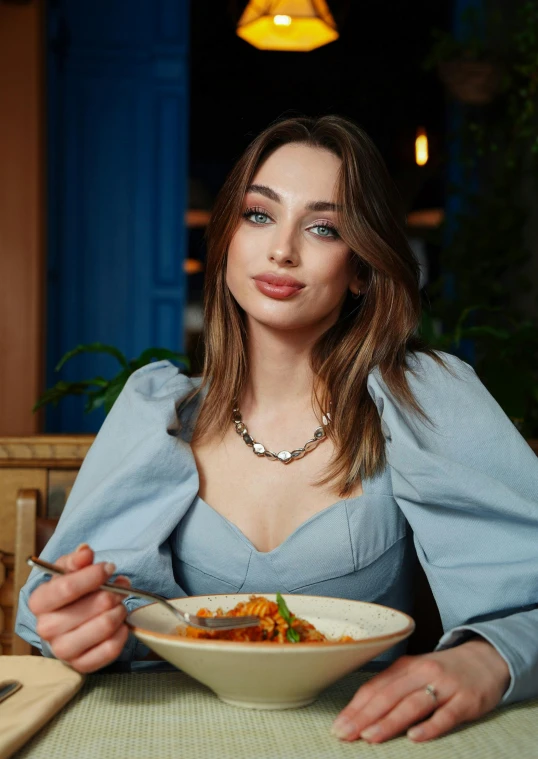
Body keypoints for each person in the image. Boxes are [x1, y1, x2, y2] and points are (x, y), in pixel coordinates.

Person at [16, 115, 538, 744]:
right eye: (259, 215)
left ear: (363, 268)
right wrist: (82, 629)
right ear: (227, 240)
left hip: (368, 738)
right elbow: (87, 615)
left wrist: (487, 657)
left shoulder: (421, 395)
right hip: (178, 740)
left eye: (324, 227)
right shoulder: (157, 412)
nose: (282, 249)